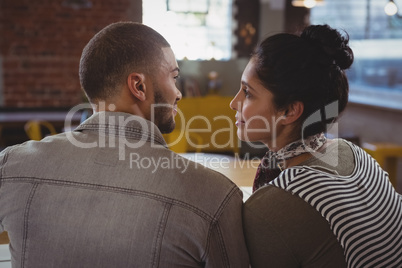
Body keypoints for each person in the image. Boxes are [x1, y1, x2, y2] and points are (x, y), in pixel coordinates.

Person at [0, 22, 249, 267]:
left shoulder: (12, 166)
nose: (179, 92)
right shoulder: (215, 196)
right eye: (174, 77)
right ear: (139, 86)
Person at [230, 24, 402, 267]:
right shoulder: (354, 154)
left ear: (290, 111)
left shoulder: (275, 206)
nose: (233, 103)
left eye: (247, 93)